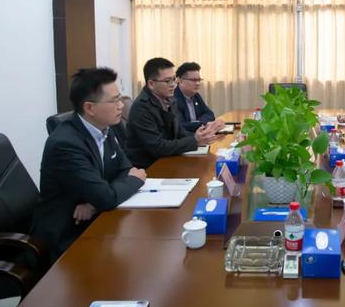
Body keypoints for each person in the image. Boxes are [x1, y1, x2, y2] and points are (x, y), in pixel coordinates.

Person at [31, 68, 146, 261]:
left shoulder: (105, 128)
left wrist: (93, 204)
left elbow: (124, 169)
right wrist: (135, 180)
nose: (121, 106)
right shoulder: (65, 144)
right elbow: (114, 191)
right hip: (67, 235)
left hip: (94, 219)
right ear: (90, 108)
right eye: (114, 101)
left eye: (120, 99)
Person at [126, 57, 217, 169]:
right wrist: (194, 140)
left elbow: (178, 132)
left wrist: (200, 137)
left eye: (174, 79)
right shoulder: (142, 108)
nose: (173, 84)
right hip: (149, 168)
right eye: (167, 81)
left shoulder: (170, 100)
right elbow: (158, 147)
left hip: (168, 159)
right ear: (151, 84)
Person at [174, 61, 224, 134]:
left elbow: (210, 114)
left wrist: (201, 123)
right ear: (180, 81)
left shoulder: (196, 96)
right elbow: (180, 126)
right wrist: (202, 124)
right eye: (193, 80)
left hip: (200, 135)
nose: (197, 83)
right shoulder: (173, 99)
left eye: (199, 80)